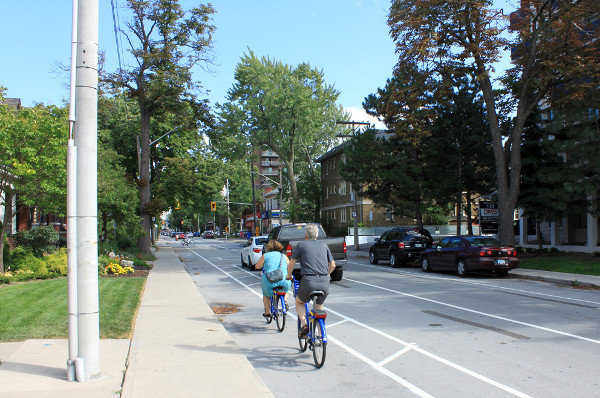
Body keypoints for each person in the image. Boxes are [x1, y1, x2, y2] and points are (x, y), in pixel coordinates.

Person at [286, 224, 336, 338]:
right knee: (319, 306)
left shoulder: (301, 245)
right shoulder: (324, 245)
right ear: (317, 235)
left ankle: (304, 325)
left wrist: (288, 275)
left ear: (305, 235)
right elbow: (332, 265)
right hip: (324, 282)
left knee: (299, 302)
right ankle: (320, 333)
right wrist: (326, 274)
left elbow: (292, 264)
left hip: (308, 280)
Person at [255, 240, 292, 318]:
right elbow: (289, 266)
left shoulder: (265, 256)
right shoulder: (283, 256)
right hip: (283, 280)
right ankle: (284, 301)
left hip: (270, 281)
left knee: (266, 295)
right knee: (287, 290)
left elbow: (257, 266)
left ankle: (267, 312)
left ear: (269, 247)